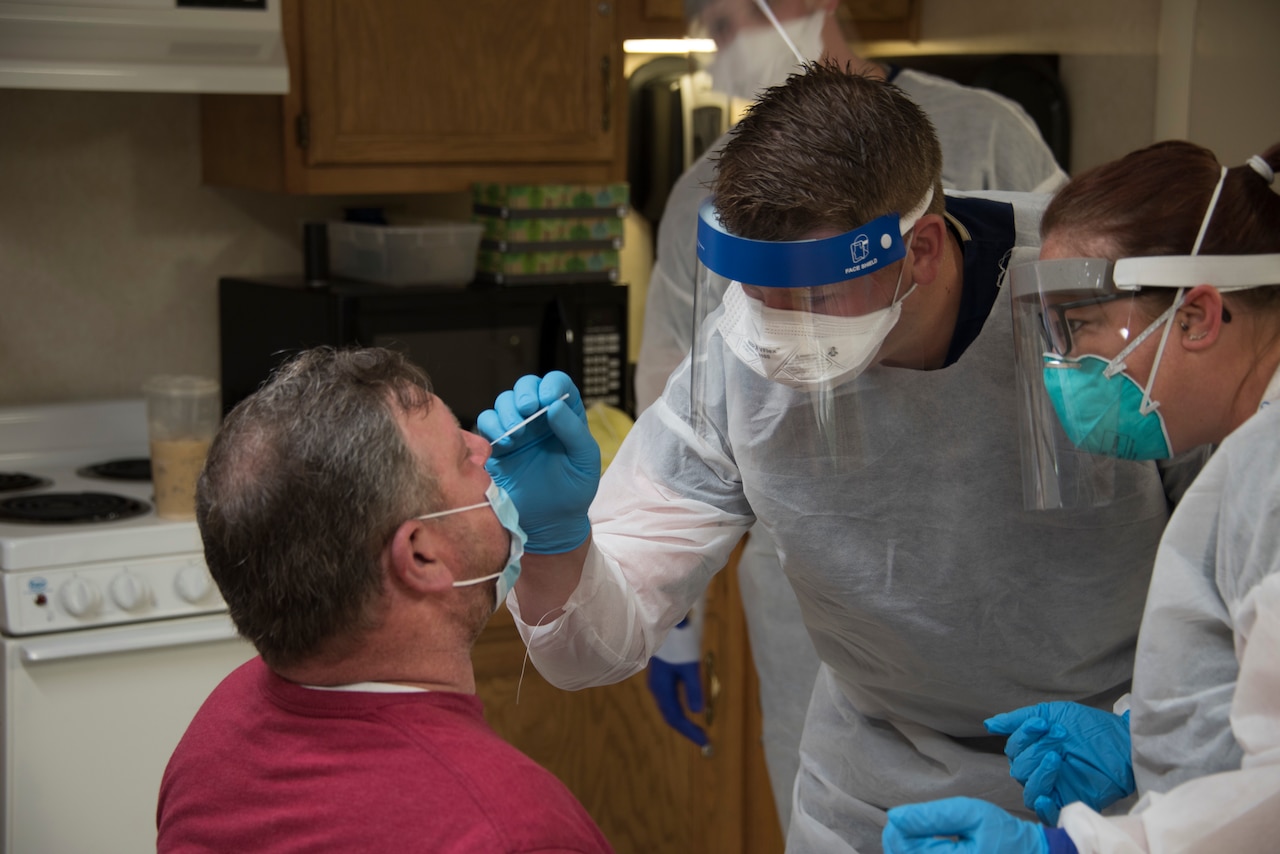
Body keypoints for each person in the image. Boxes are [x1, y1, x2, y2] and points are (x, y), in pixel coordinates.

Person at [476, 64, 1205, 853]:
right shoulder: (736, 366)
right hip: (870, 796)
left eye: (816, 295)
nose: (779, 331)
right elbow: (594, 645)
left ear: (921, 248)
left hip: (1119, 774)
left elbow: (1249, 567)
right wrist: (557, 546)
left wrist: (1137, 730)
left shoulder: (1092, 302)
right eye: (760, 291)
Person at [638, 0, 1070, 826]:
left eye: (726, 23)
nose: (712, 48)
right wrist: (671, 623)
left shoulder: (984, 133)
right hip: (822, 595)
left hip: (1022, 560)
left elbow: (1080, 304)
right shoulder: (706, 196)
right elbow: (678, 412)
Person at [880, 141, 1280, 853]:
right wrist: (1144, 733)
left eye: (1080, 327)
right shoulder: (1249, 452)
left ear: (1197, 316)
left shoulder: (1271, 474)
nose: (1061, 367)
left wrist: (1069, 850)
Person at [155, 347, 613, 854]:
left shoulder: (216, 733)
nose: (487, 447)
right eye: (465, 458)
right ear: (420, 556)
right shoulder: (514, 829)